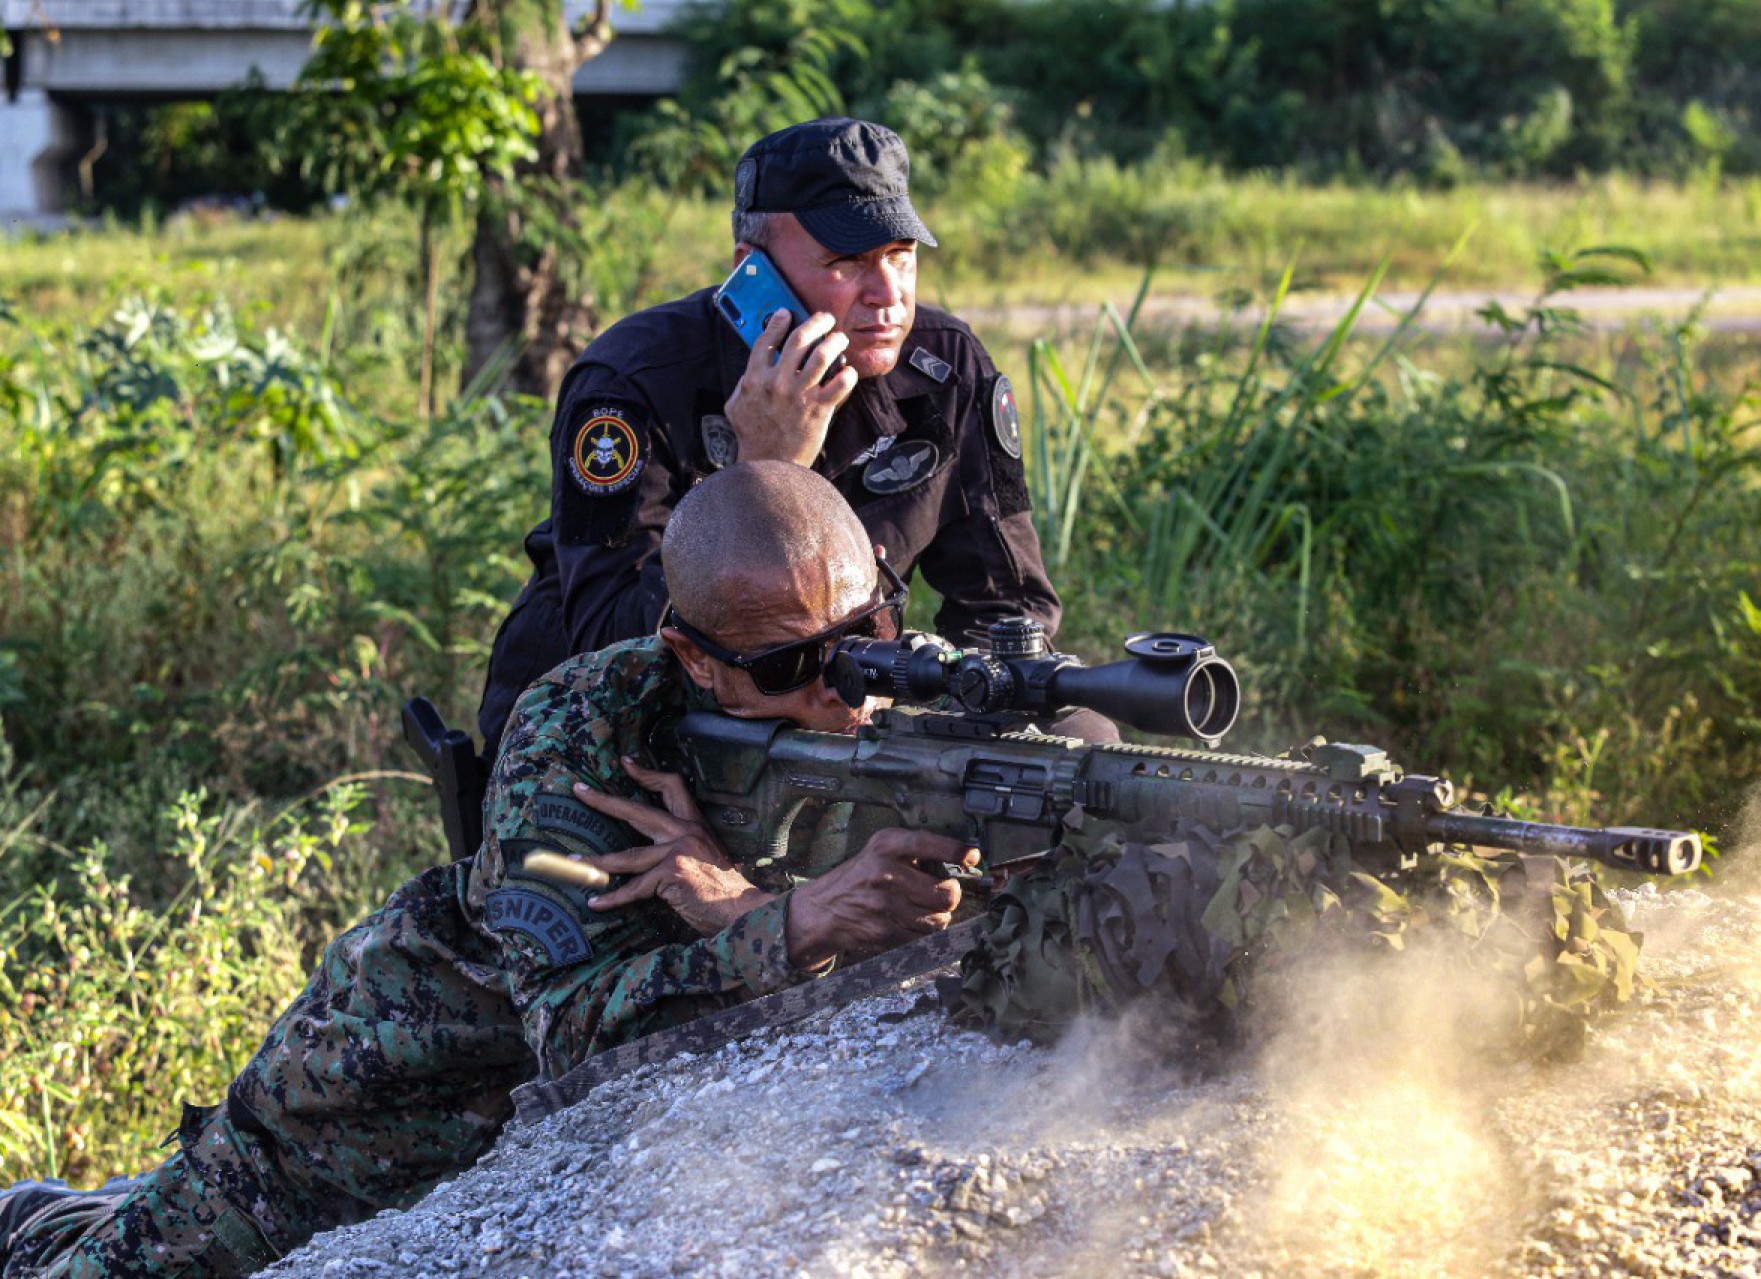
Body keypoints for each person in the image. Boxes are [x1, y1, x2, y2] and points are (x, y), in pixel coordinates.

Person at [0, 463, 976, 1277]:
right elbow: (568, 1030)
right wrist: (793, 925)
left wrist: (753, 907)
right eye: (787, 668)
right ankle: (50, 1220)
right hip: (376, 1107)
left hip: (542, 1158)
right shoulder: (583, 730)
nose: (845, 687)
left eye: (867, 635)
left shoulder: (919, 706)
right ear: (695, 655)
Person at [476, 115, 1072, 762]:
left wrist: (942, 723)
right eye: (847, 263)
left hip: (832, 712)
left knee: (1077, 747)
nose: (888, 295)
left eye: (901, 257)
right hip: (606, 736)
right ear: (752, 270)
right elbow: (614, 646)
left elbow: (1010, 607)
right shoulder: (632, 382)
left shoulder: (946, 370)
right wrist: (763, 473)